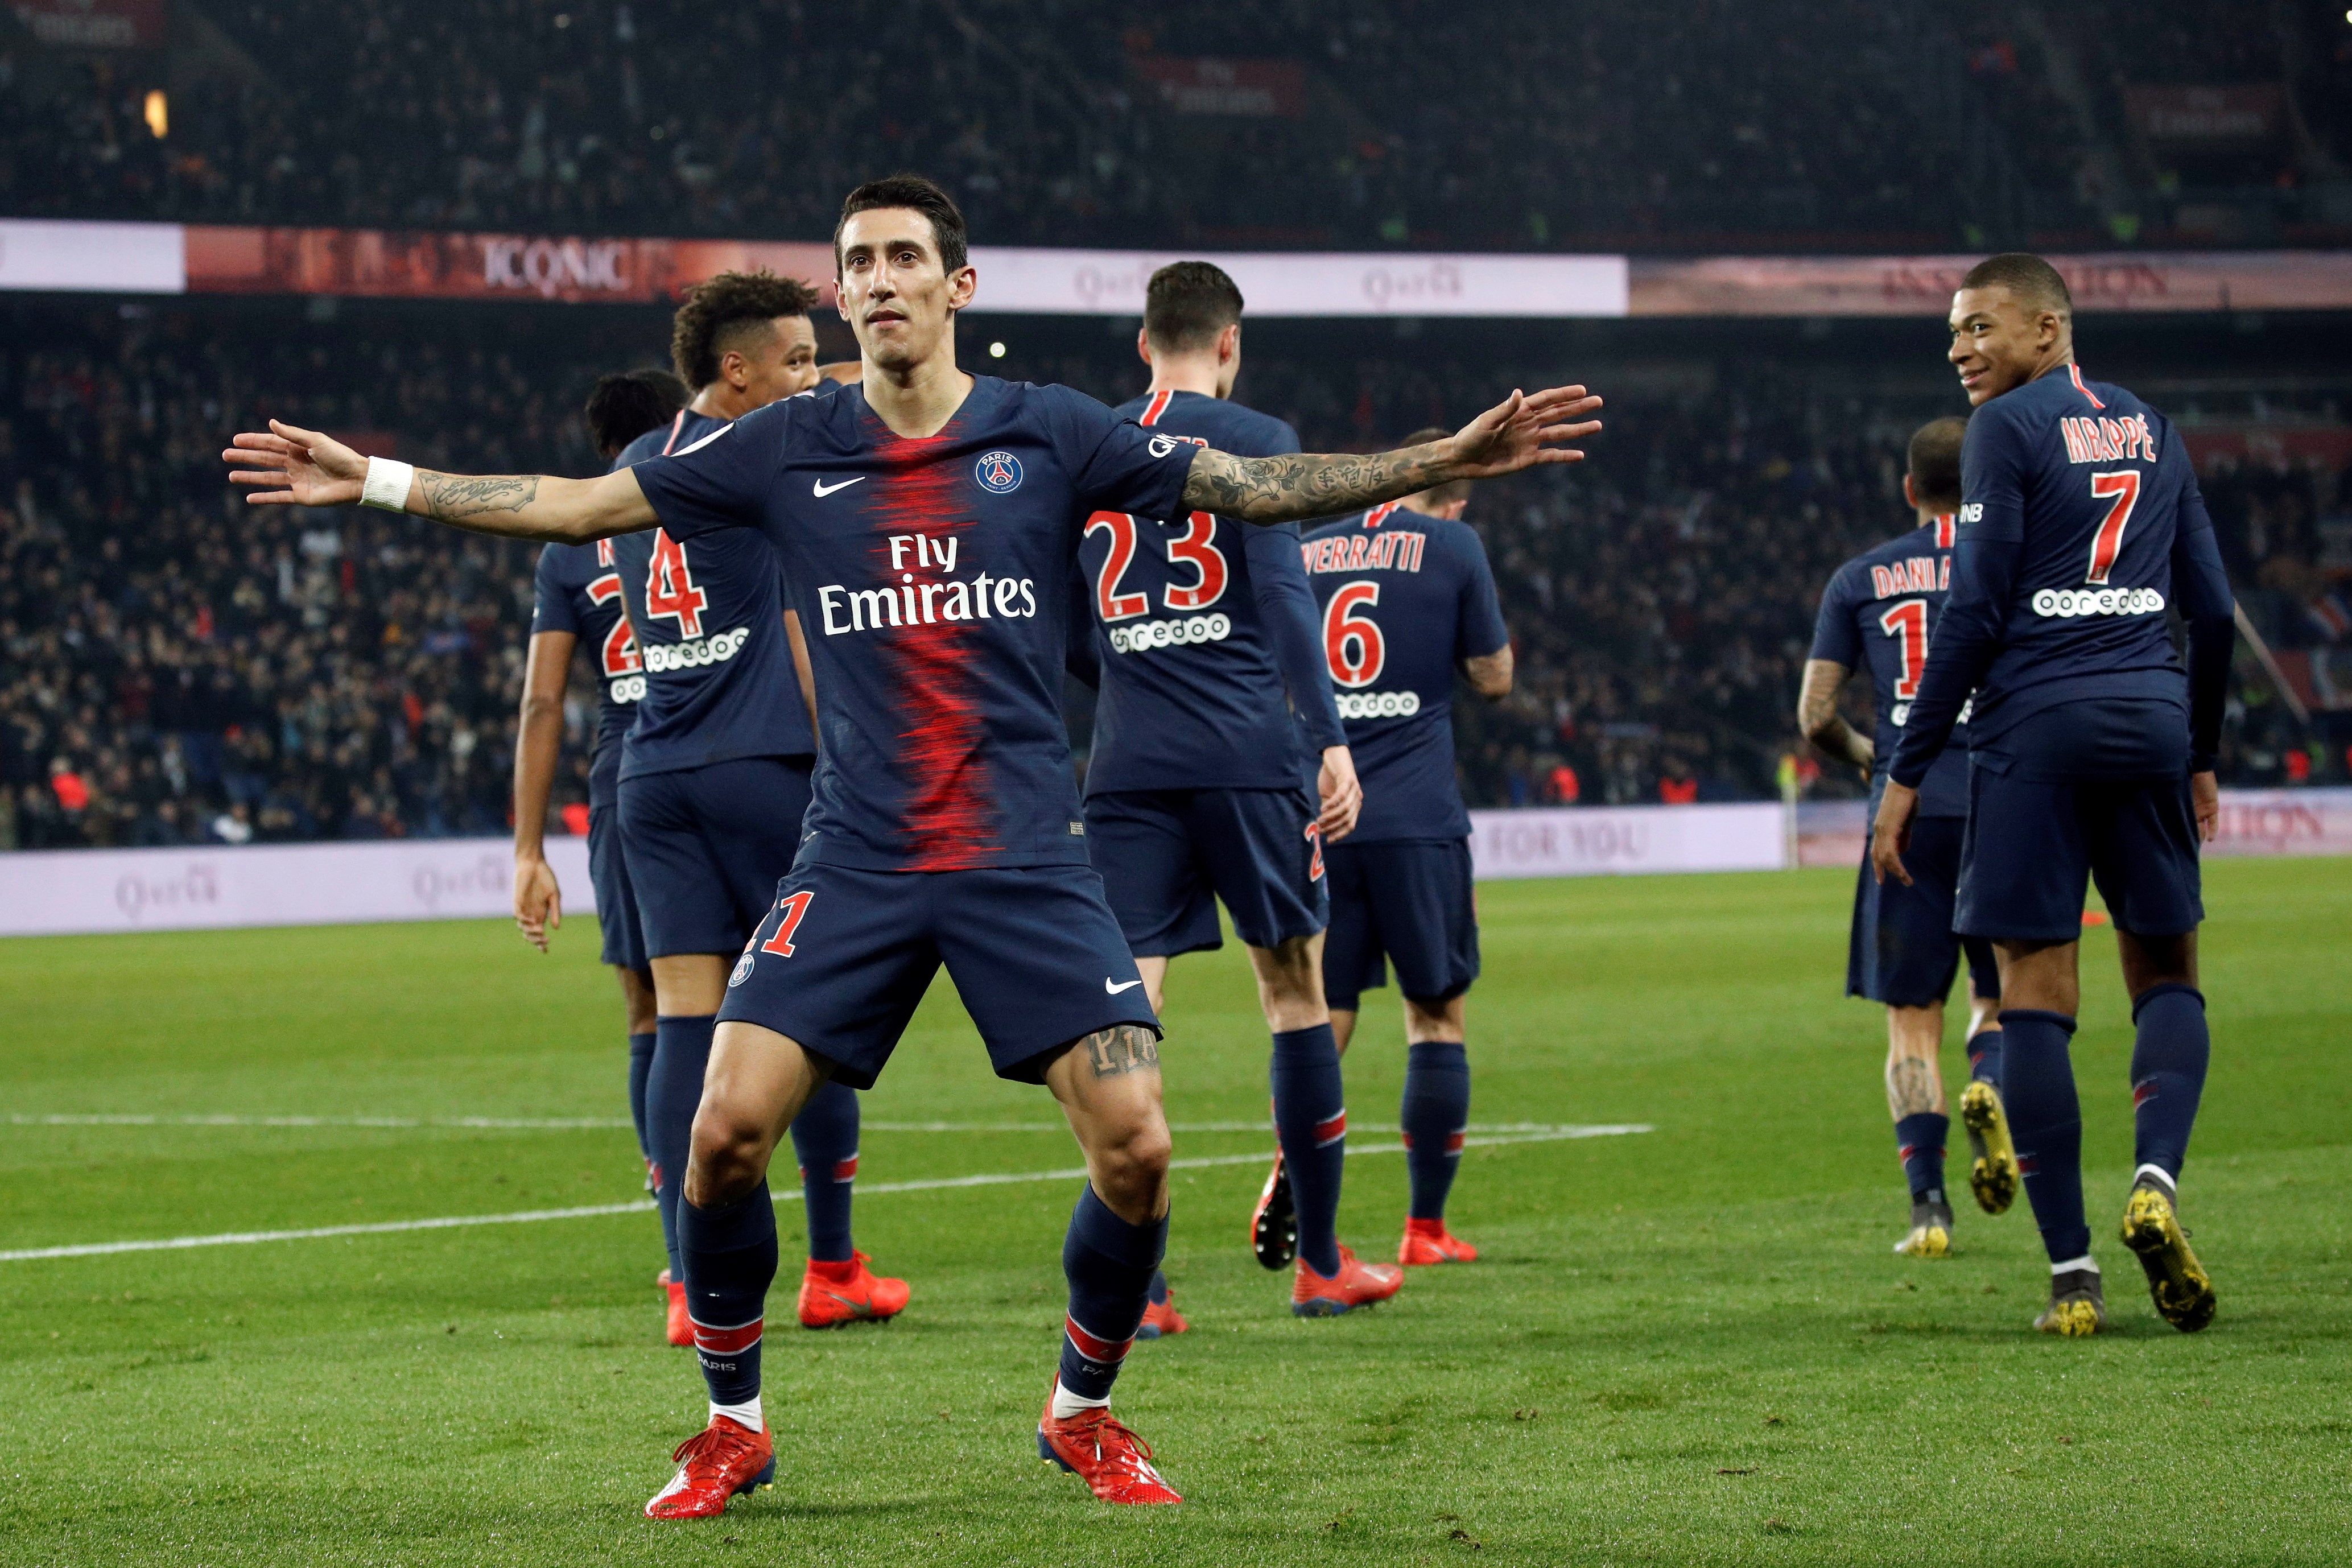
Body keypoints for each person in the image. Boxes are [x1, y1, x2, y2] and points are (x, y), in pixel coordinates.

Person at [223, 171, 1603, 1515]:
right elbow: (580, 506)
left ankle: (1083, 1410)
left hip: (1024, 858)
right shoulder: (783, 442)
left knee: (1137, 1145)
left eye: (902, 259)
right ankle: (730, 1424)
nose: (878, 281)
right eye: (858, 263)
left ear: (960, 286)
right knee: (720, 1133)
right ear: (843, 292)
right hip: (856, 860)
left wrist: (1436, 461)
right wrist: (382, 481)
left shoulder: (1050, 430)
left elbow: (1246, 486)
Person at [1874, 253, 2235, 1338]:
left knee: (2034, 991)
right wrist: (2201, 751)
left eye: (1979, 327)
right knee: (2166, 969)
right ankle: (2157, 1184)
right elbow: (2211, 613)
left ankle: (2073, 1273)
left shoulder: (2006, 429)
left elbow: (1975, 612)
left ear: (2047, 330)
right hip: (2148, 721)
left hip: (2035, 725)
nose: (1958, 350)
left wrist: (1905, 769)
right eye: (1951, 333)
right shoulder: (2156, 430)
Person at [1070, 260, 1395, 1326]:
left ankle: (1142, 1287)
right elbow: (1284, 598)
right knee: (1294, 992)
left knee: (1133, 1007)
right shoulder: (1255, 437)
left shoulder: (1093, 440)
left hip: (1126, 764)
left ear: (1142, 342)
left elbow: (1063, 620)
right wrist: (1330, 739)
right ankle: (1319, 1264)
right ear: (1229, 341)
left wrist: (1124, 673)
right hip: (1250, 755)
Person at [606, 272, 904, 1346]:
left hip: (655, 767)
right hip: (764, 759)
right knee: (810, 1011)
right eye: (796, 361)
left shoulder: (638, 467)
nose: (815, 377)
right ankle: (831, 1268)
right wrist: (854, 754)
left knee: (686, 1016)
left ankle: (689, 1282)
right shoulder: (767, 463)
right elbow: (796, 628)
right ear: (735, 371)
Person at [1800, 416, 2015, 1260]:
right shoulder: (2015, 561)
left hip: (1905, 812)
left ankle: (1927, 1209)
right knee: (2003, 995)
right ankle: (1991, 1084)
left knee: (1909, 1022)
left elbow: (1815, 715)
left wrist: (1867, 759)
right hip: (2003, 803)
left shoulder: (1860, 577)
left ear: (1907, 490)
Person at [1299, 442, 1511, 1265]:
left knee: (1318, 1013)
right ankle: (1424, 1229)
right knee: (1434, 1014)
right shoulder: (1455, 545)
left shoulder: (1311, 543)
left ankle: (1298, 1163)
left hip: (1322, 809)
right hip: (1417, 816)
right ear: (1454, 499)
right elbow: (1492, 676)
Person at [512, 367, 682, 1289]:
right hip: (736, 751)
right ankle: (828, 1255)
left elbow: (543, 704)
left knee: (649, 1014)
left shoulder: (570, 540)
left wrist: (529, 850)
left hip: (627, 776)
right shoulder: (717, 493)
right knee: (789, 1012)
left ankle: (681, 1273)